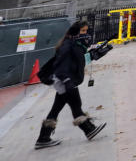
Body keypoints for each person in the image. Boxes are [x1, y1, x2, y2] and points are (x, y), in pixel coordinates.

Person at [34, 21, 106, 149]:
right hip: (65, 81)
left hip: (66, 80)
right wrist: (66, 80)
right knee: (76, 105)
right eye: (83, 31)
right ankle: (89, 130)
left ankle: (43, 138)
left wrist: (96, 54)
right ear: (75, 32)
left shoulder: (75, 44)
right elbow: (60, 64)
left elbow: (78, 61)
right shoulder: (67, 45)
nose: (86, 34)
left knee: (58, 108)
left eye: (86, 30)